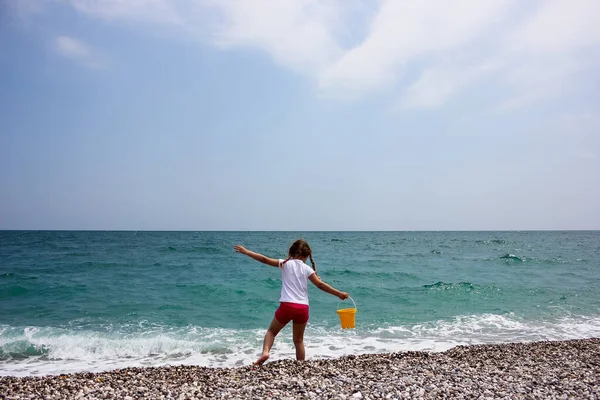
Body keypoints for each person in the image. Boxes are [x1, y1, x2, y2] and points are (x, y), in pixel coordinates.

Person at [233, 239, 349, 365]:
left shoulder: (285, 263)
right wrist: (339, 294)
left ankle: (265, 352)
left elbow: (264, 259)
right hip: (303, 308)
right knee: (298, 340)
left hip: (287, 306)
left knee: (271, 332)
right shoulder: (307, 268)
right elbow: (320, 285)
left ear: (293, 252)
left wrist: (246, 251)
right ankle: (301, 365)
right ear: (305, 255)